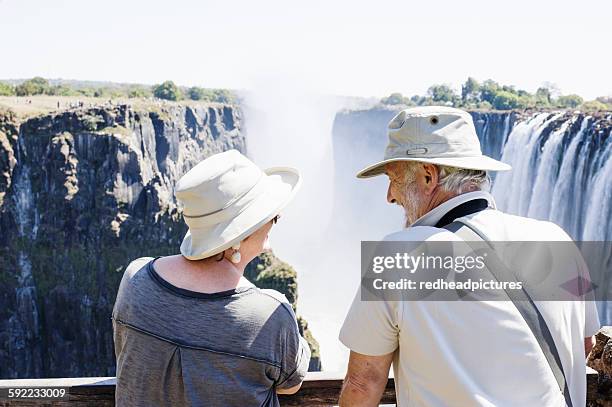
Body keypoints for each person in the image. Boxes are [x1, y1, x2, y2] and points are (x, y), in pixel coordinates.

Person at [338, 106, 600, 406]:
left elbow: (363, 384)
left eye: (393, 179)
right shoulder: (557, 240)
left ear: (427, 176)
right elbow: (583, 346)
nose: (389, 196)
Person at [112, 150, 311, 406]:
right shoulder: (269, 315)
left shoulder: (135, 279)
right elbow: (291, 384)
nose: (274, 224)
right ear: (241, 235)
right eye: (273, 217)